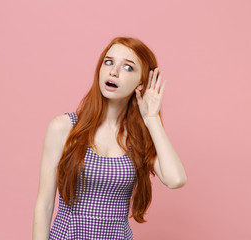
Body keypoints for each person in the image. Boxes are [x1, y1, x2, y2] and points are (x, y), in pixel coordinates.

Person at [32, 36, 187, 239]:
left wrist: (151, 118)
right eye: (109, 62)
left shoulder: (138, 139)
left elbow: (176, 179)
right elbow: (44, 205)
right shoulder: (64, 127)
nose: (113, 71)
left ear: (142, 83)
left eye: (128, 67)